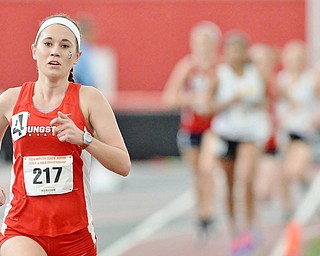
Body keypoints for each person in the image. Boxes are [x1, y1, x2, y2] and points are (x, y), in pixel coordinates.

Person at [0, 14, 131, 256]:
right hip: (21, 230)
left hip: (75, 236)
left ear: (77, 56)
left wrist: (85, 140)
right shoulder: (11, 99)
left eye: (65, 46)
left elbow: (123, 164)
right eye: (48, 44)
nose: (55, 51)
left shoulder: (90, 99)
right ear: (34, 51)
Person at [204, 31, 270, 254]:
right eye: (231, 50)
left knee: (245, 178)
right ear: (225, 52)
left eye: (239, 50)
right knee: (230, 184)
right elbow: (208, 106)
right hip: (227, 134)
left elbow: (266, 100)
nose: (235, 54)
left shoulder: (255, 73)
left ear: (245, 52)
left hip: (250, 133)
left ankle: (249, 225)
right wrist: (229, 101)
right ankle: (234, 230)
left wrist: (254, 101)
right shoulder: (220, 75)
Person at [162, 21, 221, 241]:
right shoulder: (187, 67)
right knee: (197, 174)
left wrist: (212, 103)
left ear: (216, 44)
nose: (203, 47)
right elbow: (168, 98)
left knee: (207, 168)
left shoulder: (220, 68)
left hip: (214, 128)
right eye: (199, 43)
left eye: (207, 43)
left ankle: (210, 211)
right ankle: (202, 216)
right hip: (190, 128)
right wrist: (191, 99)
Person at [276, 39, 320, 217]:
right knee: (284, 173)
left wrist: (315, 117)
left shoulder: (312, 78)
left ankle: (310, 190)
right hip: (288, 131)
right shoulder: (282, 79)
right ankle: (289, 209)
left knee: (294, 171)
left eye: (298, 58)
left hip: (306, 132)